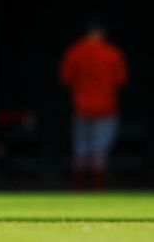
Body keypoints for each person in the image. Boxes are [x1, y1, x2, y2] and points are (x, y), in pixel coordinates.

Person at [59, 21, 127, 191]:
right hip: (105, 107)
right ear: (102, 33)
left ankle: (78, 188)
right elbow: (121, 80)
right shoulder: (111, 52)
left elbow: (65, 79)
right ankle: (98, 188)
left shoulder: (75, 51)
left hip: (81, 106)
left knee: (81, 147)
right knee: (100, 148)